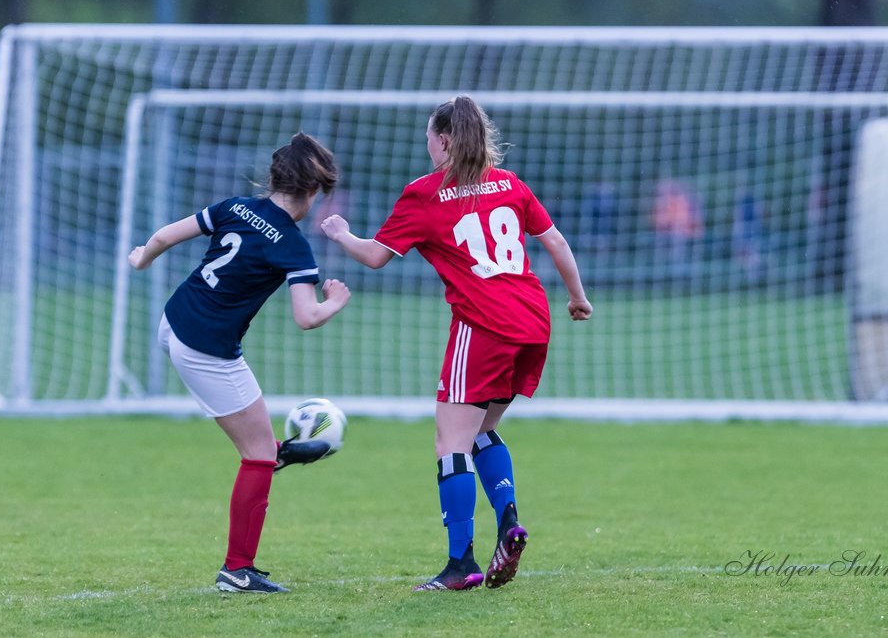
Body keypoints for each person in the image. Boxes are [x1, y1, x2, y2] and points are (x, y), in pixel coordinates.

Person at [320, 96, 592, 592]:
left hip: (483, 322)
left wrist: (341, 234)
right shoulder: (509, 184)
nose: (427, 145)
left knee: (450, 441)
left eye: (429, 136)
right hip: (533, 320)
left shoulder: (425, 194)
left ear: (443, 140)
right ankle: (509, 524)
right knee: (482, 430)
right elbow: (555, 241)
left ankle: (459, 562)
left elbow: (377, 257)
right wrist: (577, 297)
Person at [127, 132, 352, 595]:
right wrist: (335, 300)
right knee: (256, 456)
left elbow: (166, 235)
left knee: (261, 447)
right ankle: (237, 570)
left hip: (174, 320)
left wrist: (141, 259)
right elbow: (307, 318)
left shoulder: (234, 206)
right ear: (312, 192)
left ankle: (278, 452)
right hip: (206, 347)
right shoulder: (292, 244)